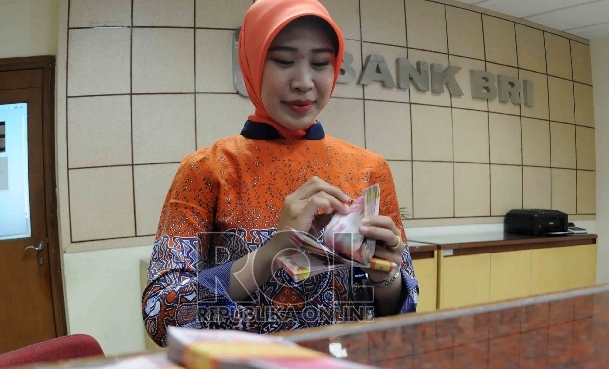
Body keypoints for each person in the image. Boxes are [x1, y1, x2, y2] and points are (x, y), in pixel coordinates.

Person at [142, 0, 418, 347]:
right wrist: (272, 252)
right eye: (284, 61)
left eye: (320, 63)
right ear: (253, 63)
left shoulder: (368, 168)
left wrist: (384, 278)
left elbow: (403, 306)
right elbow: (161, 316)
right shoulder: (207, 169)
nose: (304, 82)